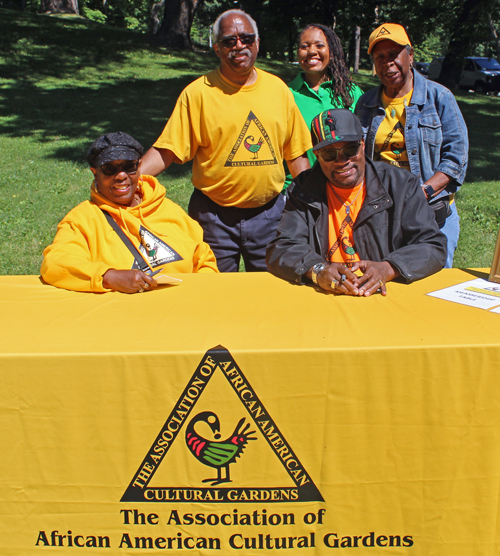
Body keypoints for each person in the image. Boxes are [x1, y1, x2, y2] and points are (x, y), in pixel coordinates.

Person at [140, 9, 312, 272]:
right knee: (214, 296)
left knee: (271, 295)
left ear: (256, 42)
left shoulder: (278, 91)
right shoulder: (198, 93)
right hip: (213, 217)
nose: (239, 45)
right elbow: (168, 150)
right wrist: (130, 176)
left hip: (270, 215)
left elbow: (296, 154)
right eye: (229, 41)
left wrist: (313, 199)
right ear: (216, 48)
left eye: (246, 38)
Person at [266, 109, 447, 296]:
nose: (342, 161)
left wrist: (388, 268)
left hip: (383, 295)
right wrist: (317, 270)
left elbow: (433, 245)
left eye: (350, 150)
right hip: (325, 295)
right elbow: (282, 247)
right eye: (329, 154)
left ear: (362, 145)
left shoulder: (400, 184)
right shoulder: (303, 189)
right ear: (317, 155)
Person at [41, 132, 218, 293]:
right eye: (109, 169)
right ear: (95, 173)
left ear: (139, 167)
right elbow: (56, 263)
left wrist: (200, 293)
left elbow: (203, 258)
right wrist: (108, 277)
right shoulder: (81, 220)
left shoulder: (166, 208)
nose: (121, 175)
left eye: (128, 166)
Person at [354, 23, 468, 268]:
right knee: (385, 278)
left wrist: (421, 192)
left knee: (433, 283)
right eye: (380, 57)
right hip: (383, 212)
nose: (387, 63)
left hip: (431, 211)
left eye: (394, 54)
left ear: (410, 55)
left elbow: (455, 159)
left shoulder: (439, 98)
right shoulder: (366, 103)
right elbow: (358, 156)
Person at [285, 23, 364, 188]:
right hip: (300, 190)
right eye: (304, 46)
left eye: (319, 45)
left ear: (331, 51)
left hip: (346, 187)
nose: (312, 51)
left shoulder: (351, 93)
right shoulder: (285, 95)